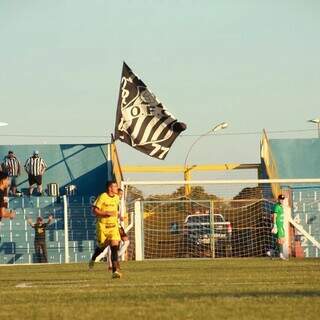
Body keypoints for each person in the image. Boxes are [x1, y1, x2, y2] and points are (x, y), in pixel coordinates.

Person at [88, 181, 122, 279]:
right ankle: (93, 258)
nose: (117, 188)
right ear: (109, 188)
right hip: (103, 227)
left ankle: (114, 271)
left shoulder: (117, 198)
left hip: (113, 227)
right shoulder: (102, 196)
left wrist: (118, 216)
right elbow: (94, 211)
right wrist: (106, 213)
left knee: (114, 248)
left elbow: (115, 210)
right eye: (115, 186)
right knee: (102, 247)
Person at [95, 188, 130, 270]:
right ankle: (112, 262)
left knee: (124, 242)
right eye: (120, 194)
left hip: (117, 225)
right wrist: (119, 217)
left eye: (122, 194)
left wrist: (120, 217)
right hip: (112, 226)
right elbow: (110, 213)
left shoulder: (118, 202)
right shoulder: (111, 201)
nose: (121, 196)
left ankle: (111, 261)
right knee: (119, 243)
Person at [267, 194, 287, 260]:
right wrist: (274, 225)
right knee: (281, 240)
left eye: (282, 199)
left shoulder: (281, 206)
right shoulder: (277, 206)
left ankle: (271, 251)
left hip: (281, 225)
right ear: (278, 199)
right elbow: (274, 215)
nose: (282, 200)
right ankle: (281, 255)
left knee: (282, 240)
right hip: (278, 225)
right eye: (281, 199)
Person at [0, 172, 16, 238]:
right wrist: (11, 214)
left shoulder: (3, 192)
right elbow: (2, 213)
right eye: (7, 179)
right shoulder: (1, 194)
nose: (9, 182)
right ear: (2, 181)